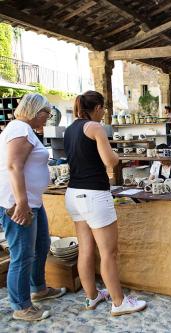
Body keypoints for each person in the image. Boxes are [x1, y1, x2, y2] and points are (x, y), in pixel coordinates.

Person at [64, 91, 146, 316]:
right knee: (109, 252)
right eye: (104, 109)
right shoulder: (95, 128)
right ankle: (119, 302)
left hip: (73, 193)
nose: (104, 113)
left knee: (86, 250)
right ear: (97, 108)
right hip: (93, 195)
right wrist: (118, 155)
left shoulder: (70, 129)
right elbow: (110, 161)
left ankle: (91, 297)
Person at [0, 94, 66, 321]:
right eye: (46, 116)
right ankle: (21, 306)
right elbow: (14, 166)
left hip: (31, 201)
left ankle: (38, 288)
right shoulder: (19, 129)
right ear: (37, 112)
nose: (47, 121)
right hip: (20, 203)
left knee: (41, 245)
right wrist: (22, 203)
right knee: (22, 255)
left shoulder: (24, 130)